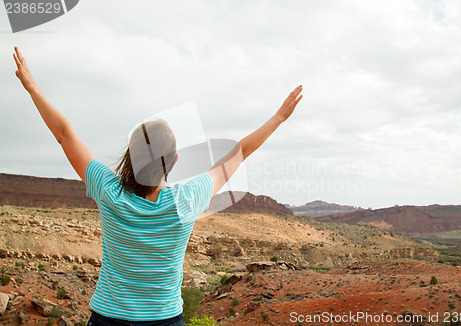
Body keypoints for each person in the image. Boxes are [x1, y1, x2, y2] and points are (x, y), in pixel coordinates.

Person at [13, 46, 303, 325]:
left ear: (131, 156)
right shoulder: (187, 200)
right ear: (173, 161)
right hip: (163, 319)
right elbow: (239, 151)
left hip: (108, 318)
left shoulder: (108, 191)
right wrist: (278, 117)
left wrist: (33, 88)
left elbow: (64, 135)